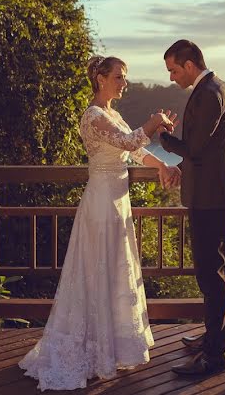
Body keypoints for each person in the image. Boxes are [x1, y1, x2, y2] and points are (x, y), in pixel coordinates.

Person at [19, 55, 181, 391]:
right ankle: (89, 353)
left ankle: (111, 349)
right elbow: (127, 141)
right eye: (120, 77)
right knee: (96, 270)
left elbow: (134, 152)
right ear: (101, 79)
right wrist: (152, 124)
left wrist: (162, 166)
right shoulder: (93, 116)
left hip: (118, 202)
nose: (125, 82)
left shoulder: (113, 114)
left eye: (126, 77)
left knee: (114, 271)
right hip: (101, 204)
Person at [159, 39, 225, 377]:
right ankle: (213, 338)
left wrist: (164, 136)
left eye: (173, 70)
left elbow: (193, 148)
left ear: (190, 65)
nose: (171, 77)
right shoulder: (214, 88)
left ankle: (215, 355)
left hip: (211, 198)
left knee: (212, 275)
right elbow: (203, 148)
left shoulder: (209, 93)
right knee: (215, 273)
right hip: (214, 195)